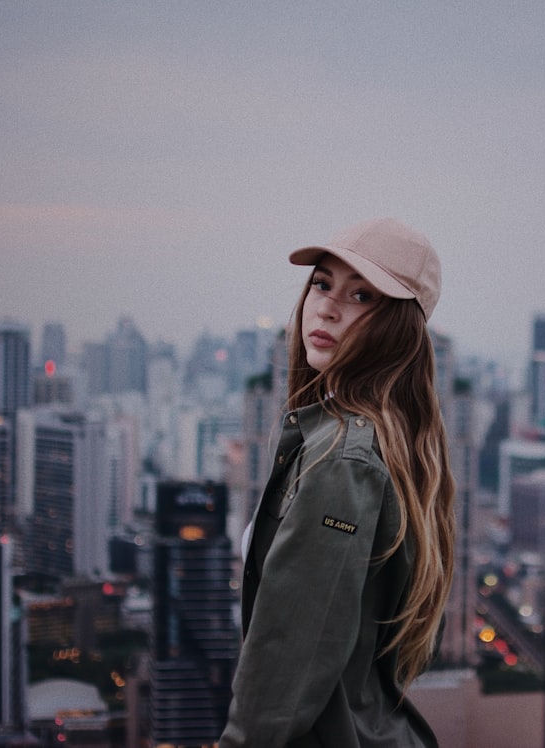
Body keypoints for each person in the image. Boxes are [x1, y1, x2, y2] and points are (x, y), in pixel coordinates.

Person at [219, 217, 456, 747]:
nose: (326, 306)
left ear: (399, 327)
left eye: (361, 296)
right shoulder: (384, 441)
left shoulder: (343, 460)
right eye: (322, 283)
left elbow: (287, 656)